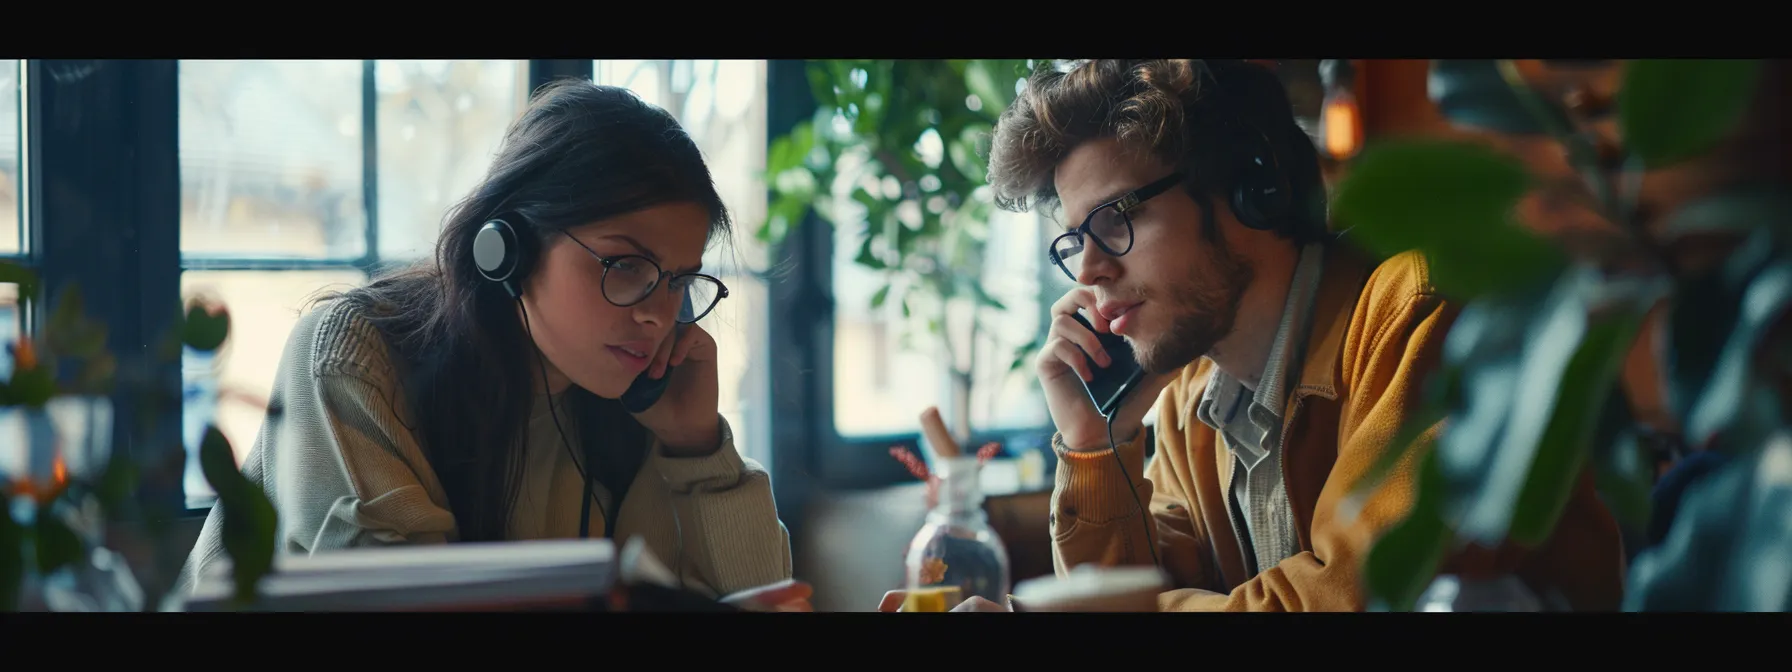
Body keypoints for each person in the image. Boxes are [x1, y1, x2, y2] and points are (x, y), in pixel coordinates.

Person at [890, 59, 1626, 612]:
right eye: (1072, 240)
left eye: (1116, 219)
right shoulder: (1186, 404)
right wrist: (1093, 442)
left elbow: (1358, 598)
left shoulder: (1420, 311)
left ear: (1253, 187)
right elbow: (1121, 593)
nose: (1088, 270)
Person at [176, 80, 806, 611]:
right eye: (626, 265)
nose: (659, 314)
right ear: (507, 247)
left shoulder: (629, 399)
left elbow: (765, 600)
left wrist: (697, 449)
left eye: (678, 281)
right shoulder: (353, 354)